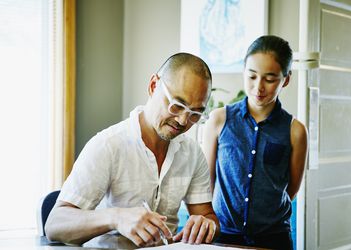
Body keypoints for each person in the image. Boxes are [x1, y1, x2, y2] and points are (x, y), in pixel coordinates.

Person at [45, 53, 220, 248]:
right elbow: (54, 224)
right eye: (177, 106)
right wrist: (115, 217)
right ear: (154, 86)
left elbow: (206, 214)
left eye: (195, 114)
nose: (183, 121)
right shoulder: (108, 145)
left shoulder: (192, 153)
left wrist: (207, 224)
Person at [202, 35, 308, 249]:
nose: (258, 87)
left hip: (274, 238)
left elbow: (291, 189)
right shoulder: (218, 120)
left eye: (269, 79)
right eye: (252, 76)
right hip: (223, 236)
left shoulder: (295, 131)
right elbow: (206, 181)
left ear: (286, 79)